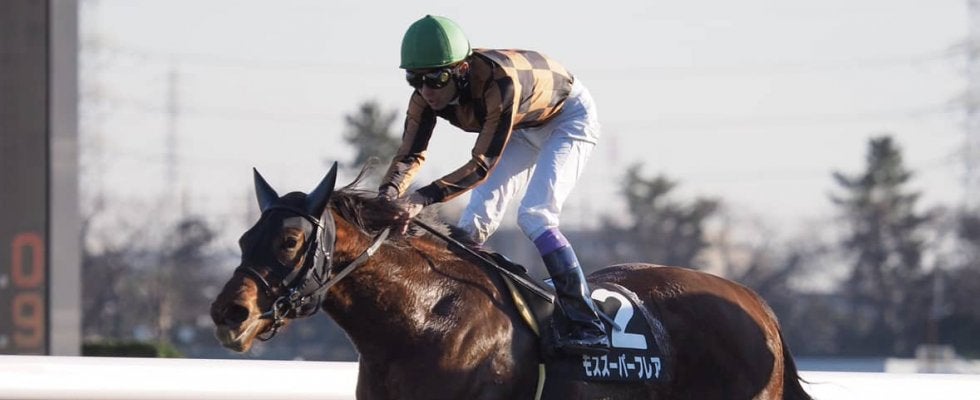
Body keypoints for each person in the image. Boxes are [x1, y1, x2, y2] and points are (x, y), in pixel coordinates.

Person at [378, 14, 608, 355]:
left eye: (436, 78)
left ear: (461, 69)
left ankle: (587, 322)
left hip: (567, 118)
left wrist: (421, 199)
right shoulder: (425, 97)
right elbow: (410, 154)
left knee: (535, 215)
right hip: (523, 124)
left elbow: (481, 165)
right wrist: (386, 198)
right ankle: (467, 313)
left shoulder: (499, 84)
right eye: (415, 79)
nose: (426, 91)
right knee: (473, 222)